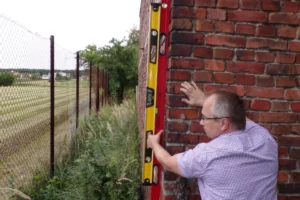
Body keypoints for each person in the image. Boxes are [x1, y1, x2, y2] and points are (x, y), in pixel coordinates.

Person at [147, 81, 278, 200]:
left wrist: (153, 144)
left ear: (223, 123)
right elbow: (239, 117)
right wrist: (205, 101)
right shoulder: (266, 139)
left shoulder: (207, 155)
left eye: (204, 117)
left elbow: (168, 163)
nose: (201, 122)